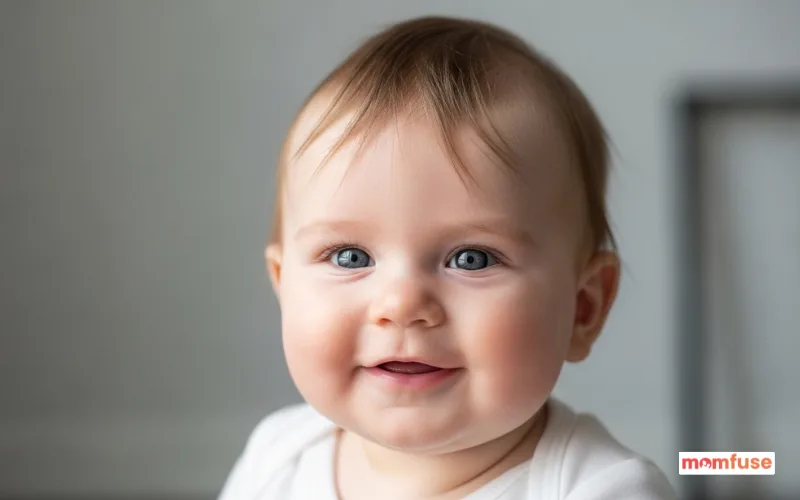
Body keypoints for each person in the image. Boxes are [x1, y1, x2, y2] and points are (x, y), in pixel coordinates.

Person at [218, 15, 676, 500]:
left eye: (472, 259)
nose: (401, 303)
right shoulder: (277, 460)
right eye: (350, 257)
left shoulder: (599, 490)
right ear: (283, 284)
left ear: (584, 308)